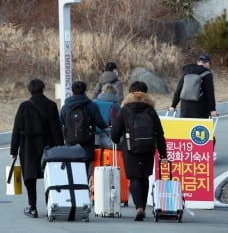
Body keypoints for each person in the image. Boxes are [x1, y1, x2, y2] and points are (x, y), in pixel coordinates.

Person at [111, 81, 167, 221]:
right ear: (145, 93)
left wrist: (117, 140)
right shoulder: (150, 110)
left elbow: (115, 132)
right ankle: (142, 205)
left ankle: (139, 207)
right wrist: (163, 154)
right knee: (144, 177)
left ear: (130, 93)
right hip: (149, 148)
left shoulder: (125, 110)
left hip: (130, 149)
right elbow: (160, 134)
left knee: (134, 177)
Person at [10, 79, 64, 218]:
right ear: (43, 89)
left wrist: (13, 150)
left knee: (29, 176)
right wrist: (60, 147)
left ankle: (32, 207)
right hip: (47, 145)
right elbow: (56, 129)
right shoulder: (51, 105)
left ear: (30, 90)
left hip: (28, 146)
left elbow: (16, 129)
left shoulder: (24, 106)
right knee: (50, 176)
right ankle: (50, 205)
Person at [60, 81, 108, 176]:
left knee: (72, 173)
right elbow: (101, 124)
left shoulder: (66, 107)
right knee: (85, 173)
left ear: (72, 91)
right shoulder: (92, 105)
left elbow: (60, 123)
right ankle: (85, 188)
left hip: (70, 145)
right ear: (85, 91)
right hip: (87, 145)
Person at [169, 54, 217, 118]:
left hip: (185, 107)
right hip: (200, 108)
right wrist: (212, 109)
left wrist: (173, 105)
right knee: (199, 127)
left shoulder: (187, 72)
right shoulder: (207, 74)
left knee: (185, 127)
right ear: (208, 63)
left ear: (198, 62)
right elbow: (210, 93)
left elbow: (179, 89)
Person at [93, 83, 121, 148]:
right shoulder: (116, 106)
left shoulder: (93, 103)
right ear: (115, 93)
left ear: (102, 92)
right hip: (108, 138)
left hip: (93, 136)